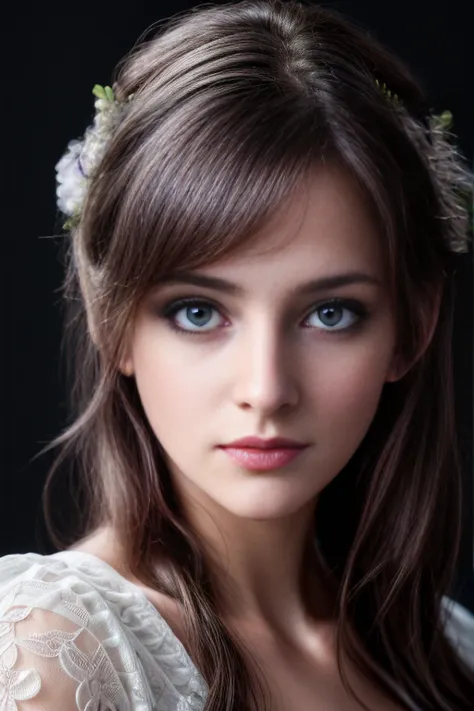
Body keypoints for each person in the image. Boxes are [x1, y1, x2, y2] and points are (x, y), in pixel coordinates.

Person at [1, 0, 473, 709]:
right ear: (114, 320)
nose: (266, 387)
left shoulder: (453, 651)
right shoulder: (55, 650)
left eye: (330, 313)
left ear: (411, 328)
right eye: (198, 312)